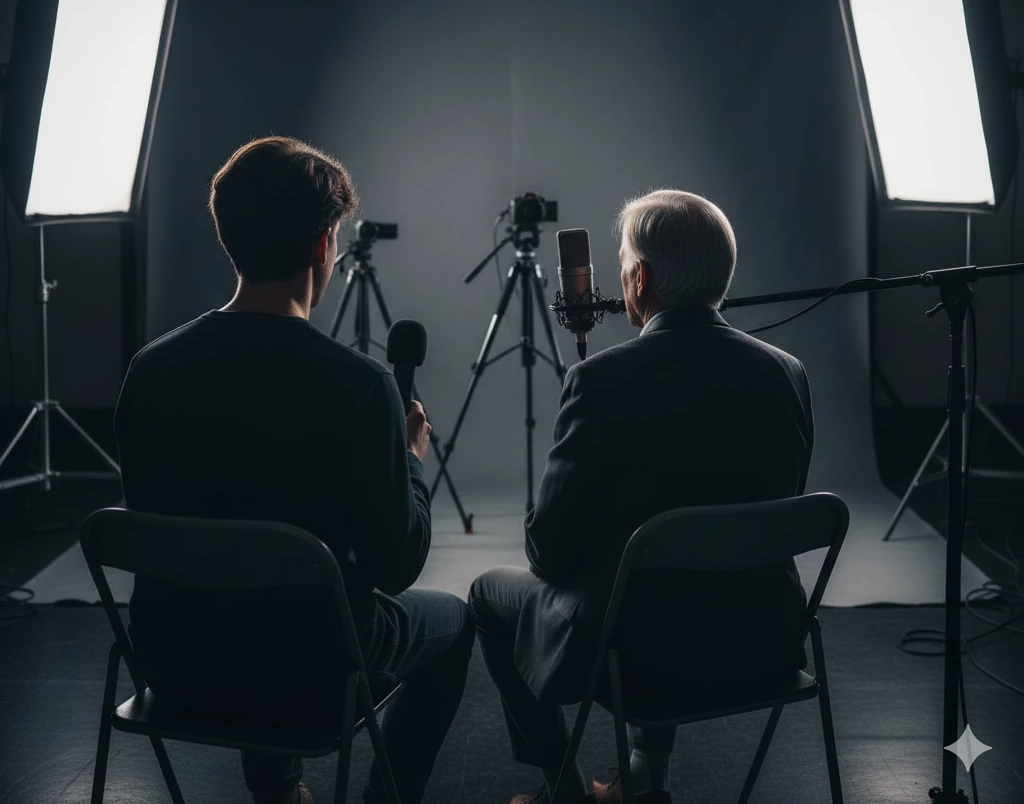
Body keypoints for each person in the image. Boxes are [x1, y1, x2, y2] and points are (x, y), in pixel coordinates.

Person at [114, 136, 474, 804]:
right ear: (322, 246)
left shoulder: (151, 371)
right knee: (454, 625)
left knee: (255, 596)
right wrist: (409, 461)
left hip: (174, 660)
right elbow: (396, 565)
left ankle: (278, 789)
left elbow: (165, 522)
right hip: (313, 671)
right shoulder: (362, 387)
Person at [469, 189, 813, 804]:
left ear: (641, 277)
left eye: (624, 261)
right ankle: (643, 778)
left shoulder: (599, 382)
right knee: (672, 573)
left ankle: (565, 791)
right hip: (764, 641)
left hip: (637, 656)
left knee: (486, 593)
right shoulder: (787, 372)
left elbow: (548, 554)